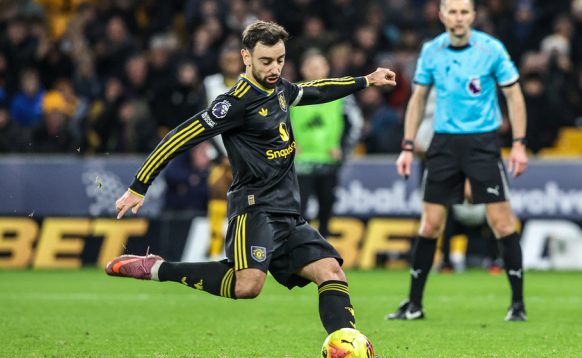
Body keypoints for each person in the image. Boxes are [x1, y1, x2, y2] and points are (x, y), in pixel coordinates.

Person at [105, 20, 396, 336]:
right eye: (266, 61)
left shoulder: (281, 89)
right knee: (248, 286)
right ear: (246, 57)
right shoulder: (233, 104)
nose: (275, 68)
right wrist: (139, 185)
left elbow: (316, 90)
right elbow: (179, 137)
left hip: (288, 212)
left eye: (280, 60)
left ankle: (344, 346)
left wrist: (366, 80)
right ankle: (159, 269)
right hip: (253, 209)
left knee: (332, 271)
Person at [385, 0, 528, 322]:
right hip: (444, 144)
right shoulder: (432, 51)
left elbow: (514, 94)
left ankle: (517, 305)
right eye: (453, 11)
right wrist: (407, 146)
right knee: (431, 224)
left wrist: (519, 144)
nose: (459, 17)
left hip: (482, 143)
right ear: (442, 16)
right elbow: (418, 98)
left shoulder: (491, 49)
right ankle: (413, 304)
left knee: (502, 223)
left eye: (465, 12)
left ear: (473, 16)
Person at [290, 49, 363, 237]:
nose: (315, 71)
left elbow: (356, 124)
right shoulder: (291, 93)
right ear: (303, 69)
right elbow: (275, 123)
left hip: (329, 162)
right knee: (300, 211)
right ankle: (302, 251)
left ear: (327, 68)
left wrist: (344, 149)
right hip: (300, 164)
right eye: (311, 67)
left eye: (319, 66)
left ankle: (323, 253)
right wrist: (287, 146)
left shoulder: (341, 93)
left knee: (326, 211)